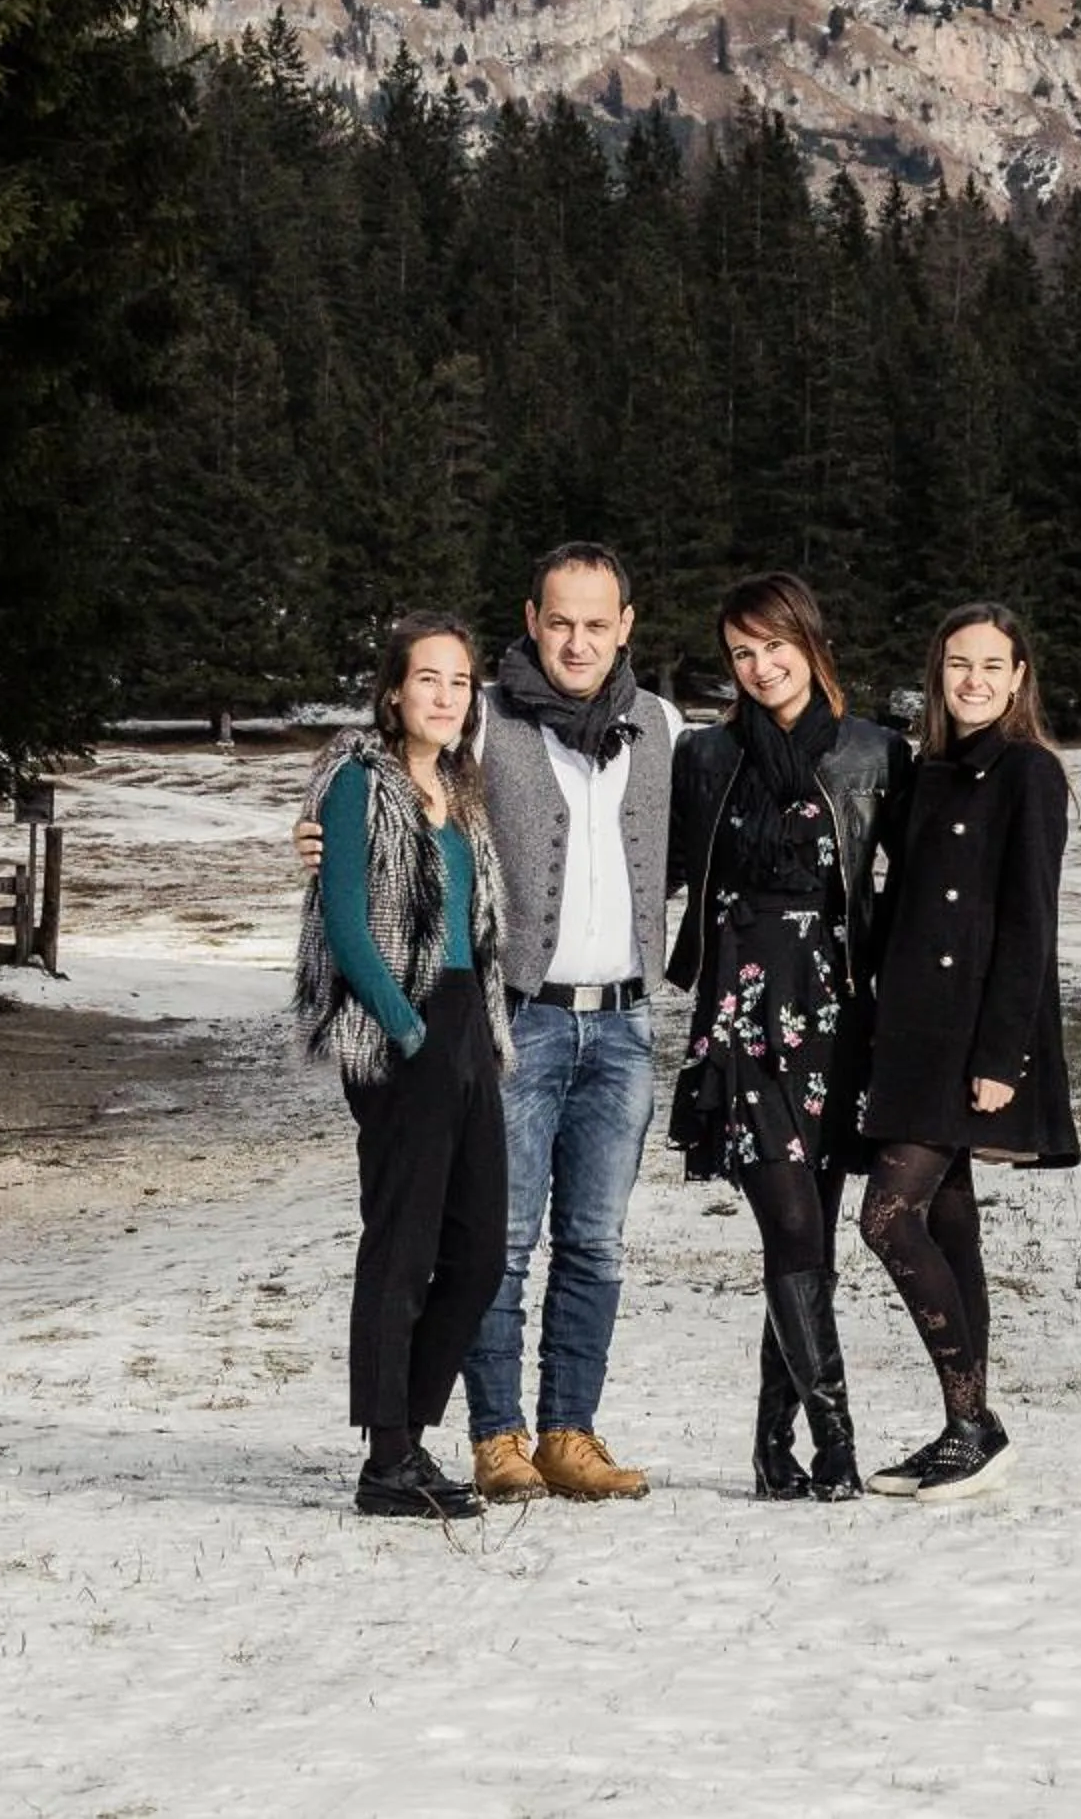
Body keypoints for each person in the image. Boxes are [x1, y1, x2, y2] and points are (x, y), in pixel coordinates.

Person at [299, 542, 682, 1502]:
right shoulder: (475, 734)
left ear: (627, 625)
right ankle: (462, 1442)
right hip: (493, 1019)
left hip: (583, 1025)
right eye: (560, 620)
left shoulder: (660, 728)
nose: (579, 639)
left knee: (549, 1245)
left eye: (598, 622)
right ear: (532, 618)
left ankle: (541, 1436)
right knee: (458, 1243)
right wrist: (314, 838)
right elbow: (359, 860)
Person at [666, 572, 911, 1501]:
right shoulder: (702, 757)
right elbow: (642, 858)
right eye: (741, 652)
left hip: (837, 1015)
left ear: (811, 641)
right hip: (740, 1016)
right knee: (794, 1223)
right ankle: (836, 1443)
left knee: (805, 1242)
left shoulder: (875, 753)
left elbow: (920, 883)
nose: (761, 667)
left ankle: (774, 1450)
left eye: (775, 645)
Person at [854, 602, 1080, 1505]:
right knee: (950, 1224)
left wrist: (1002, 1055)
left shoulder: (1029, 774)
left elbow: (1031, 925)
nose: (975, 681)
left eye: (993, 666)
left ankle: (975, 1426)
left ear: (1020, 676)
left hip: (969, 1039)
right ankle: (964, 1428)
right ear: (937, 672)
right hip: (906, 1030)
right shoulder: (925, 772)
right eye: (959, 665)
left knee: (886, 1219)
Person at [294, 613, 510, 1521]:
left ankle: (410, 1436)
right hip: (401, 1028)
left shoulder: (459, 788)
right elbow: (346, 920)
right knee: (403, 1244)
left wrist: (465, 1034)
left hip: (468, 1024)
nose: (447, 697)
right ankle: (387, 1461)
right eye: (429, 679)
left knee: (480, 1251)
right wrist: (406, 1028)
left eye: (460, 682)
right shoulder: (357, 782)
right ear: (394, 691)